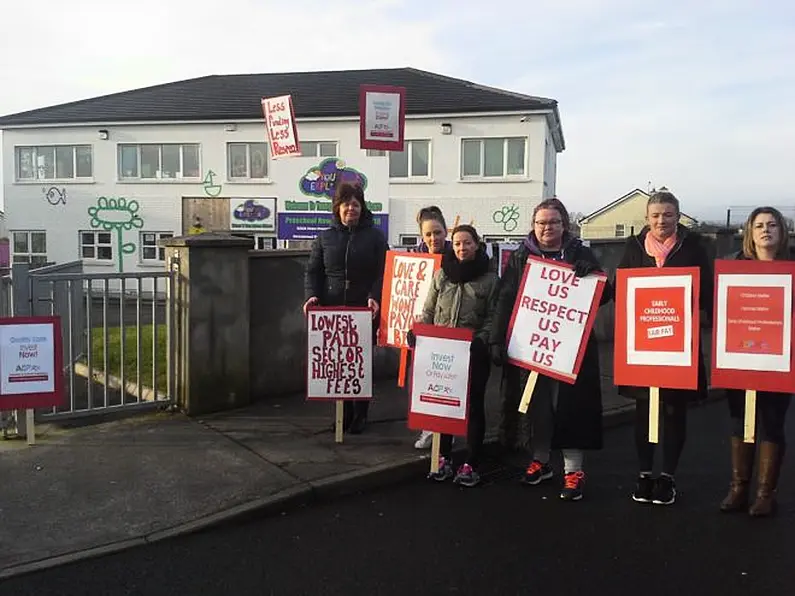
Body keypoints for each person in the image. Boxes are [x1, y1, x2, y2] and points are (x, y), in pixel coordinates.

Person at [489, 197, 611, 501]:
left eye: (553, 222)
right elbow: (505, 299)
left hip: (572, 350)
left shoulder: (580, 253)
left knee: (570, 409)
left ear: (564, 225)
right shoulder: (521, 257)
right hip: (534, 346)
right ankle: (541, 461)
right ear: (533, 225)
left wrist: (593, 274)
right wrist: (496, 338)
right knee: (538, 407)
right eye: (541, 222)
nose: (547, 227)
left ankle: (573, 470)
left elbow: (604, 294)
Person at [616, 189, 713, 506]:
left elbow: (708, 293)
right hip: (640, 347)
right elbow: (619, 290)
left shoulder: (695, 248)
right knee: (643, 412)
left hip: (679, 347)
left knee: (674, 412)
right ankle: (644, 475)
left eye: (668, 214)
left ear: (678, 217)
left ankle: (667, 478)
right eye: (656, 215)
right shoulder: (633, 249)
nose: (662, 220)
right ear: (646, 218)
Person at [407, 224, 498, 487]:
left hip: (473, 351)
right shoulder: (441, 276)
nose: (461, 248)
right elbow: (428, 310)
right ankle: (444, 457)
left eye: (467, 243)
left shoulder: (490, 279)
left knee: (473, 406)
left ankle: (471, 462)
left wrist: (481, 340)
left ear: (477, 244)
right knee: (444, 406)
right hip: (443, 352)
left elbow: (493, 316)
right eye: (457, 243)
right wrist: (418, 333)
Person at [719, 206, 792, 517]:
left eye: (772, 225)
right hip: (740, 355)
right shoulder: (734, 267)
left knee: (772, 422)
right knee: (741, 421)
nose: (766, 230)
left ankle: (765, 493)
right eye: (759, 225)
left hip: (780, 359)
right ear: (749, 232)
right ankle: (739, 487)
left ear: (782, 232)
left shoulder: (792, 268)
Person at [303, 182, 388, 434]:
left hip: (363, 309)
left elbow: (384, 272)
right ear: (337, 208)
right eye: (346, 204)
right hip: (333, 309)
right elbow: (313, 271)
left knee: (360, 363)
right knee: (337, 363)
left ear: (362, 208)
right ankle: (343, 413)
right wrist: (312, 296)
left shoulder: (375, 237)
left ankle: (360, 414)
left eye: (356, 204)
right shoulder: (324, 237)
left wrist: (375, 295)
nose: (351, 208)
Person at [411, 206, 453, 450]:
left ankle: (447, 432)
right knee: (424, 381)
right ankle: (429, 429)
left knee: (446, 382)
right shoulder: (414, 259)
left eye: (437, 232)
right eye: (428, 234)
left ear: (445, 231)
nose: (433, 238)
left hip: (448, 328)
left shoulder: (455, 256)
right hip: (422, 328)